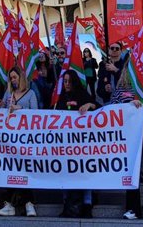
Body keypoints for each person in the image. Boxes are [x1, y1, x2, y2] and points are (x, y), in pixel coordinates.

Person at [112, 73, 143, 220]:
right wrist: (128, 106)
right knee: (132, 171)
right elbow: (113, 110)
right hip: (129, 132)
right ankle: (132, 208)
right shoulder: (120, 90)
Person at [0, 67, 38, 217]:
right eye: (11, 78)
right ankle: (18, 204)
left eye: (15, 77)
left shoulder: (31, 93)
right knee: (12, 170)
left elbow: (36, 113)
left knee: (24, 170)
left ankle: (26, 203)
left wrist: (20, 108)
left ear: (21, 78)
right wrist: (1, 106)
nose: (13, 80)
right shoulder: (8, 93)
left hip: (25, 139)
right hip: (10, 140)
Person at [56, 70, 99, 218]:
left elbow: (98, 107)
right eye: (65, 81)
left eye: (69, 81)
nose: (67, 84)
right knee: (66, 172)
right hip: (66, 143)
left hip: (82, 143)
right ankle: (67, 204)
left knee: (84, 173)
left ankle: (87, 204)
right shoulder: (61, 97)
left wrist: (89, 105)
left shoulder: (82, 94)